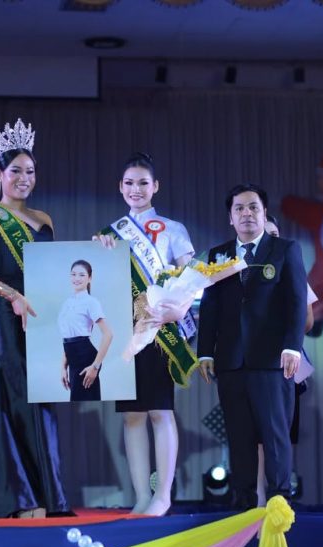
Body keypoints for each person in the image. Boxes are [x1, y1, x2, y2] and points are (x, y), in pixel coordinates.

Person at [0, 118, 69, 519]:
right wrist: (12, 295)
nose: (24, 178)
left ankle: (47, 495)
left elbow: (55, 272)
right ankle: (19, 497)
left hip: (42, 315)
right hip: (5, 311)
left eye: (30, 171)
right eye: (16, 170)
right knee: (16, 392)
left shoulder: (45, 219)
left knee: (43, 397)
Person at [96, 152, 197, 516]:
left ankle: (162, 496)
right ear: (120, 187)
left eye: (142, 182)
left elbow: (193, 280)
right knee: (131, 416)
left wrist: (177, 312)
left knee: (159, 411)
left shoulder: (174, 229)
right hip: (125, 333)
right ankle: (141, 496)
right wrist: (99, 252)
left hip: (159, 331)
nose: (135, 189)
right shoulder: (109, 234)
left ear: (156, 186)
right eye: (129, 183)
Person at [198, 184, 307, 509]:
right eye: (239, 209)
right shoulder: (218, 255)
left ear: (264, 212)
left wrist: (292, 346)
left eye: (253, 207)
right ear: (230, 217)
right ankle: (243, 507)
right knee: (238, 438)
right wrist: (205, 351)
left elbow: (297, 301)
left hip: (272, 360)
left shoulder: (285, 249)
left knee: (275, 436)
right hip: (230, 360)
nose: (247, 214)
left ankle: (279, 506)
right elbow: (210, 306)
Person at [255, 214, 318, 506]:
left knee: (279, 433)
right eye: (264, 234)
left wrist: (284, 330)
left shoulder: (293, 268)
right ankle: (256, 498)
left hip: (284, 362)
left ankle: (278, 498)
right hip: (251, 363)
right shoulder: (243, 270)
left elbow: (308, 320)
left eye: (274, 234)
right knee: (253, 434)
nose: (270, 239)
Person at [58, 260, 113, 402]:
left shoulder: (91, 302)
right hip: (72, 360)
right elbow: (68, 338)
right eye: (73, 274)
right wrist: (63, 367)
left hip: (86, 360)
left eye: (82, 275)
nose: (77, 278)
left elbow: (108, 334)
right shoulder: (67, 303)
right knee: (76, 402)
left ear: (90, 278)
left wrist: (95, 366)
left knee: (86, 402)